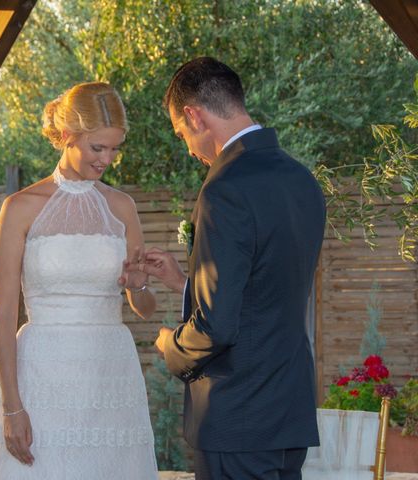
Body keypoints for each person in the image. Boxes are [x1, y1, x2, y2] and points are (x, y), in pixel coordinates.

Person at [136, 57, 326, 479]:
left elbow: (218, 326)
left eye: (182, 133)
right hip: (288, 409)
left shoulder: (225, 188)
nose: (188, 147)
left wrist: (173, 348)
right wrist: (184, 283)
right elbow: (262, 292)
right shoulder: (301, 180)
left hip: (238, 414)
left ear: (194, 116)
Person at [0, 82, 158, 479]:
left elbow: (144, 309)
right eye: (98, 148)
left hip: (109, 373)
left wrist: (139, 285)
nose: (107, 159)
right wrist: (12, 405)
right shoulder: (20, 208)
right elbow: (4, 311)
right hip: (43, 374)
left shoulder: (123, 207)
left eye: (114, 148)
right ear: (65, 137)